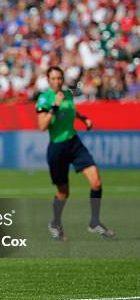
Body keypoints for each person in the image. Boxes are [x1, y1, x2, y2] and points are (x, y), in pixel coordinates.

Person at [36, 66, 114, 240]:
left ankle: (94, 222)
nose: (57, 81)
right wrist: (54, 106)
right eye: (53, 78)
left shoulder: (68, 95)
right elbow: (42, 126)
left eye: (59, 78)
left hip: (74, 143)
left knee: (96, 182)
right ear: (48, 80)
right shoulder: (44, 99)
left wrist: (83, 118)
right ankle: (55, 222)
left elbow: (71, 110)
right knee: (64, 192)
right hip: (57, 147)